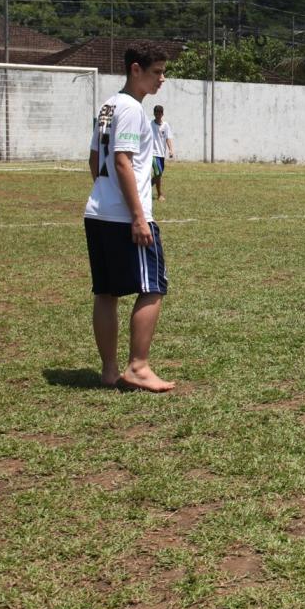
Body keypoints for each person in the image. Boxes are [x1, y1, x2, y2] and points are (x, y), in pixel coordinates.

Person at [84, 47, 175, 393]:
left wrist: (104, 194)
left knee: (106, 292)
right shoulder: (133, 110)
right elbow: (122, 160)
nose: (162, 78)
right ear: (135, 70)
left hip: (98, 212)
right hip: (126, 217)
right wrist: (138, 216)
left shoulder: (108, 106)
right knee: (152, 287)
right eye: (156, 71)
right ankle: (138, 367)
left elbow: (95, 159)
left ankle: (109, 371)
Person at [150, 105, 176, 202]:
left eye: (160, 113)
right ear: (154, 113)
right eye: (156, 113)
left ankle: (146, 187)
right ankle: (160, 194)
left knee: (158, 174)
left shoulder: (165, 125)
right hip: (152, 153)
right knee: (158, 172)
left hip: (161, 154)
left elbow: (168, 138)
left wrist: (170, 149)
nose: (158, 115)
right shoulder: (150, 124)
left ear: (162, 114)